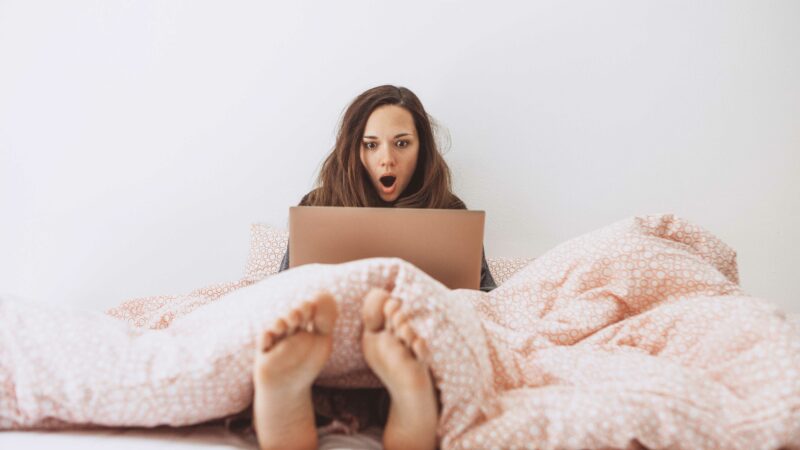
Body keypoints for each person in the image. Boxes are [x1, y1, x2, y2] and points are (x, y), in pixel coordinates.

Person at [251, 85, 496, 450]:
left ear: (422, 149)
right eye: (371, 145)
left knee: (440, 347)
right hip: (329, 340)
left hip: (413, 334)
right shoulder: (320, 205)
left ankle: (406, 390)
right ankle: (295, 389)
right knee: (289, 327)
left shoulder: (449, 210)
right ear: (354, 149)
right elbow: (288, 287)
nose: (387, 160)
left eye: (401, 144)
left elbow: (486, 297)